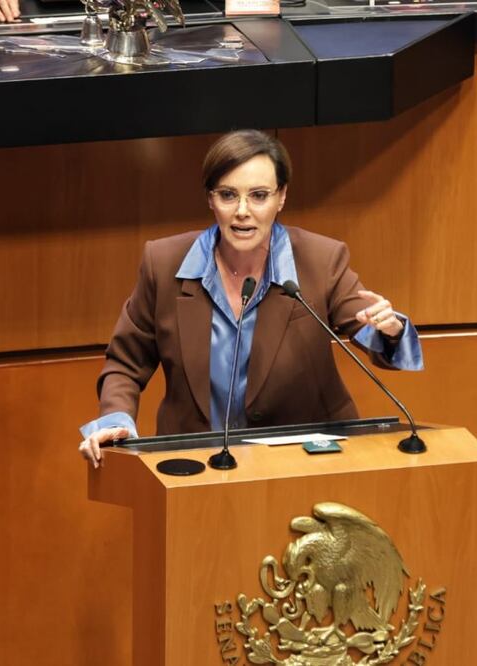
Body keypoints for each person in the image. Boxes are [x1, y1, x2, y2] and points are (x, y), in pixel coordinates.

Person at [78, 130, 422, 467]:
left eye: (258, 195)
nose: (243, 210)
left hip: (301, 462)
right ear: (210, 199)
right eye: (228, 195)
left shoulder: (320, 260)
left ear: (281, 197)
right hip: (198, 464)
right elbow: (125, 362)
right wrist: (114, 421)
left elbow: (365, 327)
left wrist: (389, 330)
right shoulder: (164, 264)